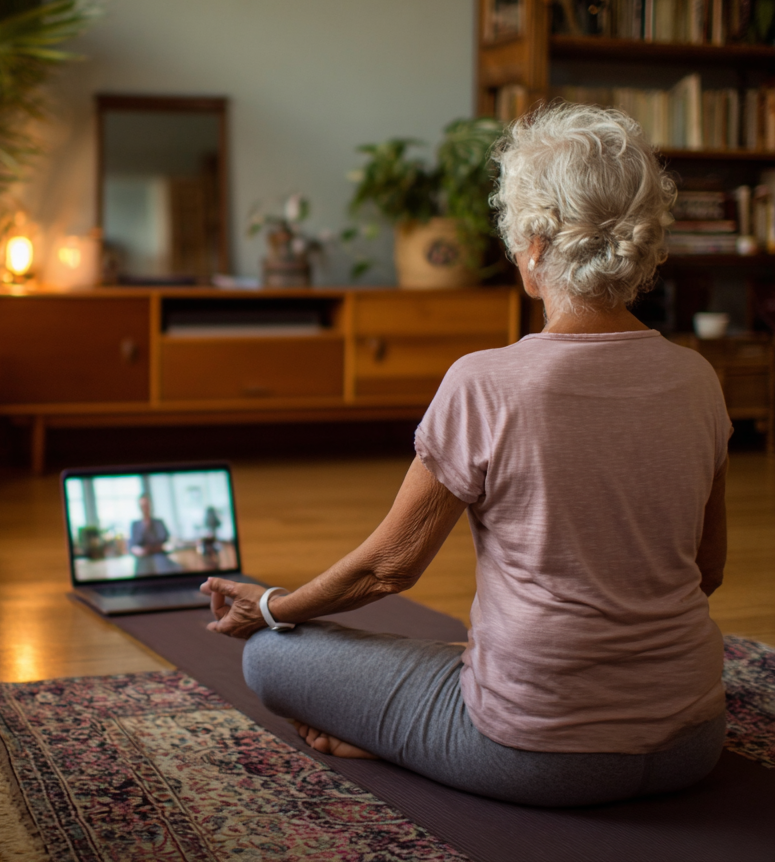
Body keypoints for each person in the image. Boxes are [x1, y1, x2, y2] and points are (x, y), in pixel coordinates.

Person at [201, 103, 730, 808]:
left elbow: (389, 568)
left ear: (536, 243)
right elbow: (709, 570)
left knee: (272, 658)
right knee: (436, 658)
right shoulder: (697, 378)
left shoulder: (487, 381)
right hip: (692, 739)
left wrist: (271, 606)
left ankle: (397, 743)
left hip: (540, 754)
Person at [129, 494, 179, 576]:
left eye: (147, 505)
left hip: (160, 557)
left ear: (150, 506)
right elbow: (132, 545)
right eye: (142, 506)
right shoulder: (135, 524)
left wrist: (161, 547)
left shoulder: (159, 522)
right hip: (143, 559)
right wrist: (140, 551)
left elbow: (167, 540)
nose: (145, 508)